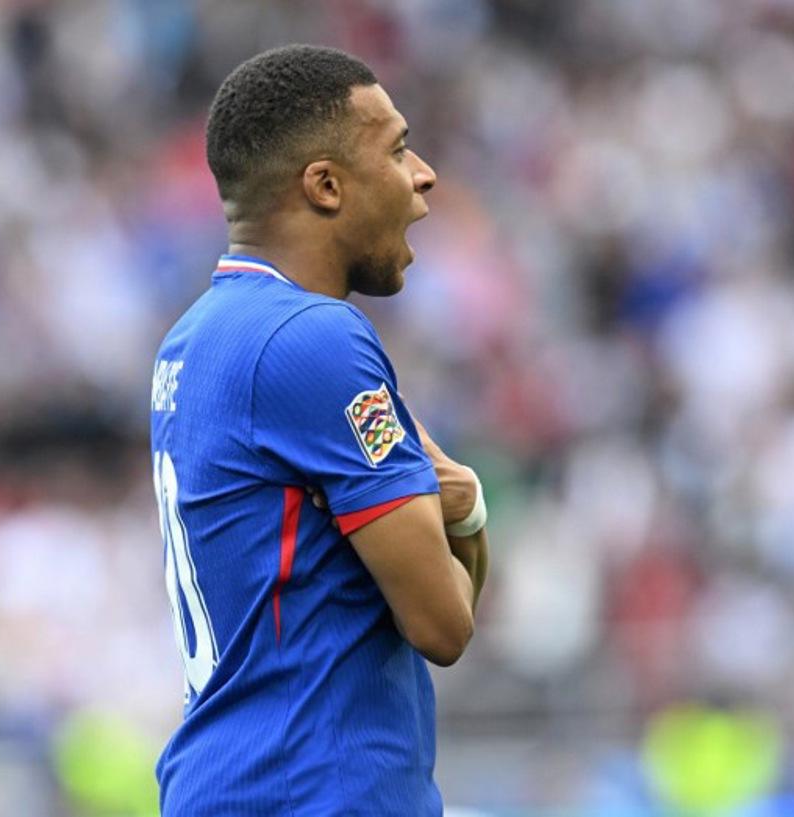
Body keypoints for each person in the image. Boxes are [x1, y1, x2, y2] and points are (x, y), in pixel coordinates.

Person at [148, 45, 489, 816]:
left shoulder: (190, 339)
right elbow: (442, 622)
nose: (424, 175)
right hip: (314, 791)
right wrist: (467, 511)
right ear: (326, 185)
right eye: (398, 149)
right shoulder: (315, 337)